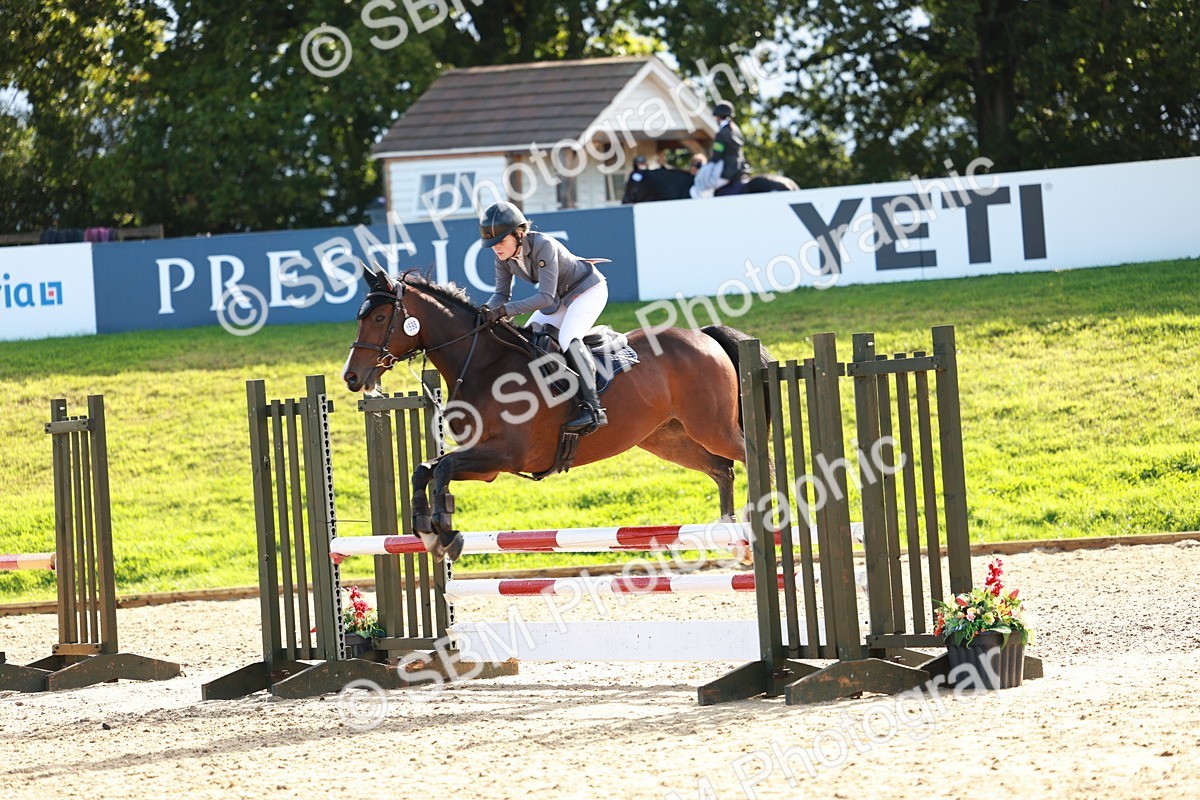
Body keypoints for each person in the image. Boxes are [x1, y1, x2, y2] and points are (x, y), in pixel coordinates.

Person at [477, 201, 609, 434]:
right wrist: (486, 311)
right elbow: (501, 294)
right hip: (560, 298)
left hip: (587, 290)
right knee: (528, 341)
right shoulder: (502, 257)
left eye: (501, 241)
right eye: (492, 244)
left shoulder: (543, 245)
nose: (496, 248)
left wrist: (505, 311)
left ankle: (593, 409)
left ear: (520, 233)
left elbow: (545, 298)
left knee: (569, 339)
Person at [691, 102, 750, 198]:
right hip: (740, 167)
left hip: (727, 171)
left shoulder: (722, 134)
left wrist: (703, 166)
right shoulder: (736, 130)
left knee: (702, 188)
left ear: (718, 117)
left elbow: (716, 156)